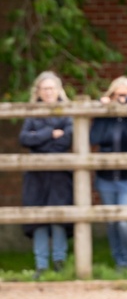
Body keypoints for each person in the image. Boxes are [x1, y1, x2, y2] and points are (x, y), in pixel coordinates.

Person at [19, 71, 74, 277]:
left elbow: (66, 139)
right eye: (45, 89)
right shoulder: (32, 113)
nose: (48, 92)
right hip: (37, 175)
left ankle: (59, 261)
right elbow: (24, 138)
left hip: (60, 173)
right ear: (38, 92)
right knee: (38, 218)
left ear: (58, 90)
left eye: (52, 88)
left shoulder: (67, 112)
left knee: (59, 217)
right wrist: (50, 134)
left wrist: (38, 138)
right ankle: (41, 265)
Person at [93, 76, 127, 270]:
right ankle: (119, 262)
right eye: (118, 95)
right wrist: (103, 112)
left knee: (124, 220)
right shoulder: (106, 117)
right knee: (112, 222)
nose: (122, 99)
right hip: (106, 177)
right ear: (111, 96)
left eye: (126, 95)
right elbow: (95, 137)